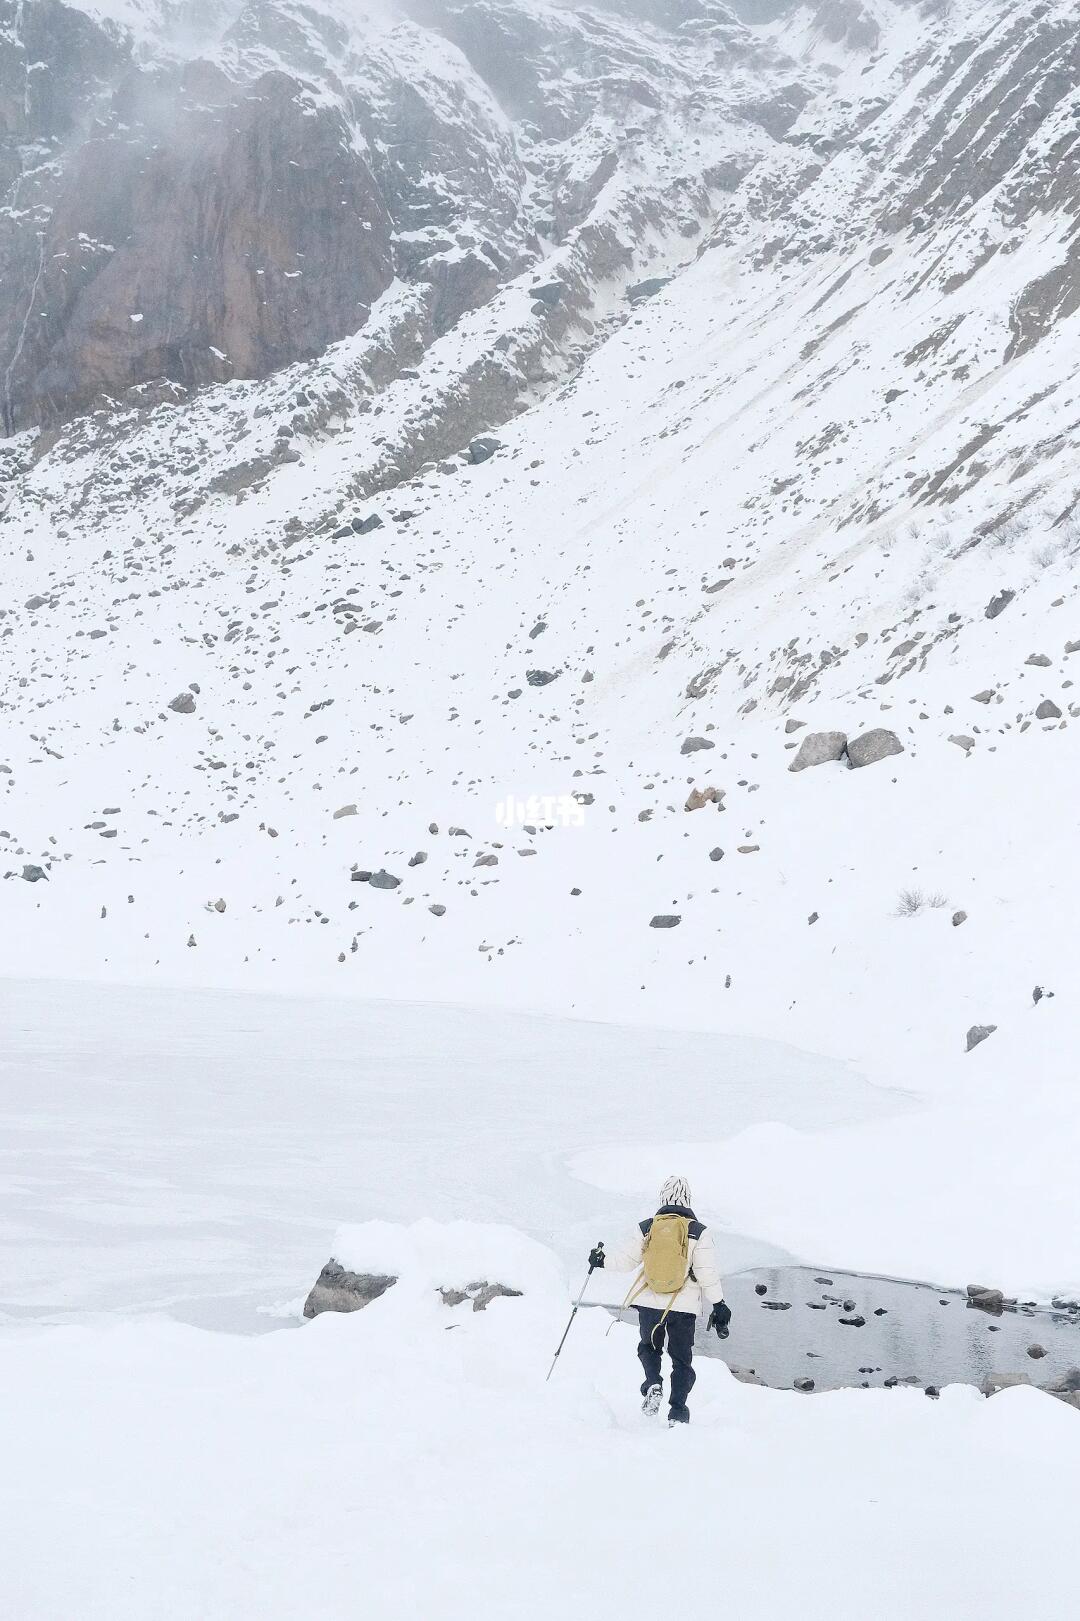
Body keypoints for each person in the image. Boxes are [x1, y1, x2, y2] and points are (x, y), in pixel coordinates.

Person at [589, 1175, 730, 1425]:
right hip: (683, 1309)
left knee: (648, 1347)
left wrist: (601, 1261)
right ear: (688, 1200)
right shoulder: (698, 1232)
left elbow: (625, 1262)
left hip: (650, 1304)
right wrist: (719, 1304)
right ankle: (677, 1411)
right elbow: (707, 1274)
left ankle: (653, 1382)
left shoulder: (647, 1227)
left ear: (663, 1198)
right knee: (681, 1359)